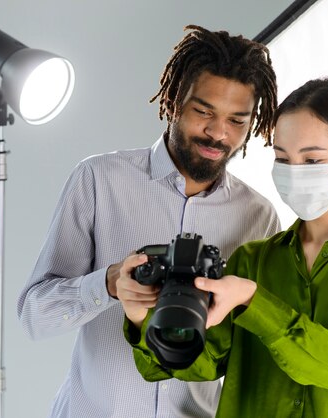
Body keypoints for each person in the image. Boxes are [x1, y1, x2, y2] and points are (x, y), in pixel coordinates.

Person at [122, 77, 328, 418]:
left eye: (312, 161)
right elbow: (201, 363)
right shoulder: (252, 260)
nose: (294, 173)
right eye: (283, 159)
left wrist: (255, 301)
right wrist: (141, 316)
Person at [17, 25, 280, 417]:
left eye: (237, 121)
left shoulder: (258, 217)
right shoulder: (99, 180)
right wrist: (108, 284)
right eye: (203, 112)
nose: (218, 133)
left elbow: (256, 353)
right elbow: (34, 316)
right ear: (174, 100)